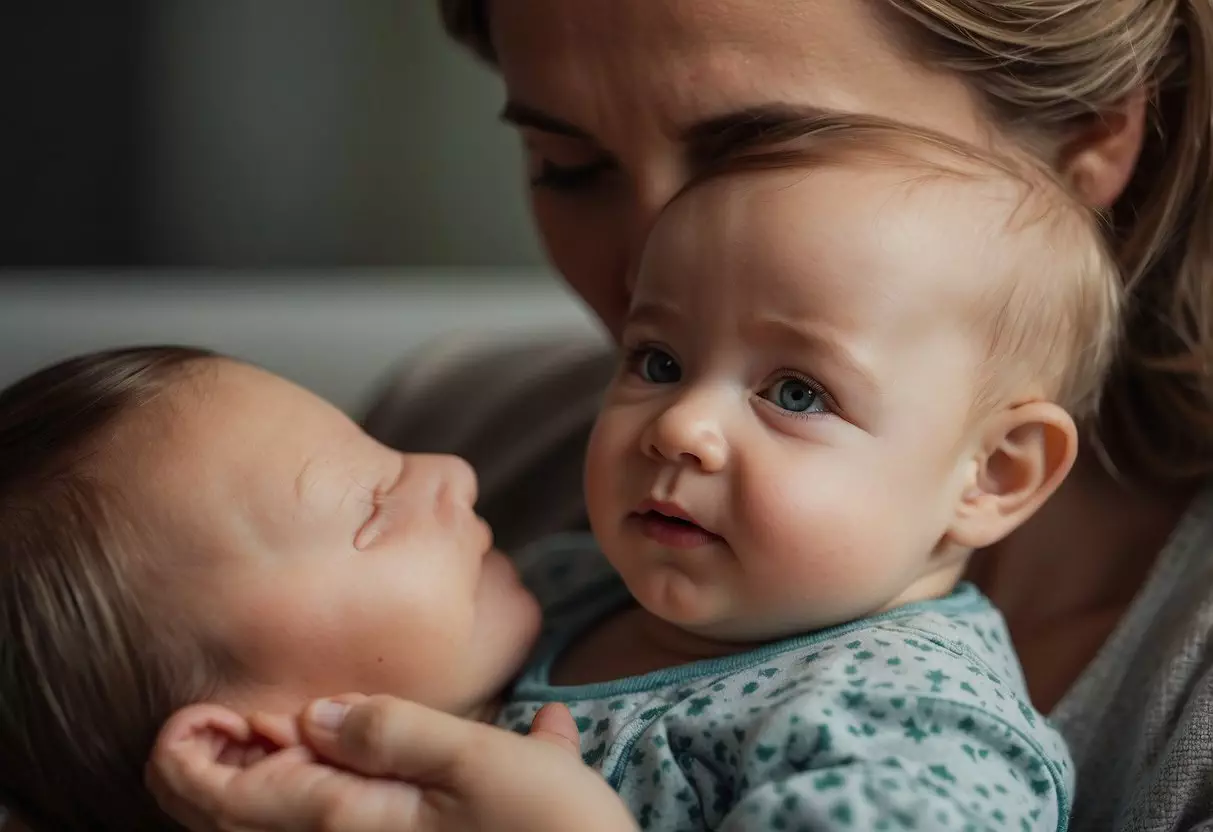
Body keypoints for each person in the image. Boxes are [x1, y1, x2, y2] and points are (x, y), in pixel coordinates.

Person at [153, 0, 1213, 829]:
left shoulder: (926, 726)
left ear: (1092, 133)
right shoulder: (453, 450)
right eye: (568, 168)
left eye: (766, 160)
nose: (653, 260)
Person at [0, 346, 631, 831]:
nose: (455, 472)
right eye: (372, 508)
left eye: (387, 454)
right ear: (239, 751)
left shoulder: (579, 585)